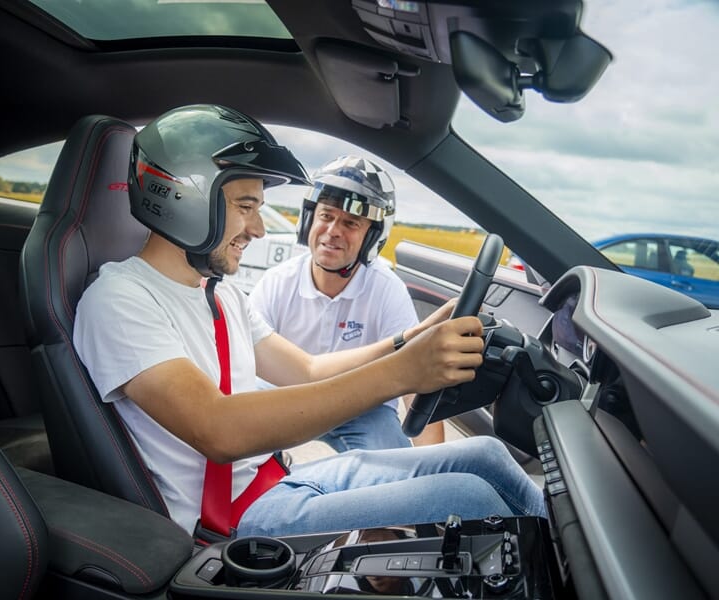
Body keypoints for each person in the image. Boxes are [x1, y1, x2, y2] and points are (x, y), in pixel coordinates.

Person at [73, 104, 545, 540]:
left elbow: (307, 371)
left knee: (485, 456)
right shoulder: (119, 300)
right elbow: (218, 429)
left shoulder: (221, 295)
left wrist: (407, 341)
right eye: (245, 207)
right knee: (468, 498)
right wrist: (404, 372)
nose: (258, 230)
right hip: (234, 518)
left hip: (279, 481)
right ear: (184, 198)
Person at [249, 155, 443, 450]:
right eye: (326, 216)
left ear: (372, 236)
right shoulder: (277, 282)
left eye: (351, 222)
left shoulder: (386, 289)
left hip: (360, 406)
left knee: (394, 469)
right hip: (287, 396)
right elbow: (241, 365)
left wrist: (432, 465)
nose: (333, 231)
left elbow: (417, 380)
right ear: (309, 220)